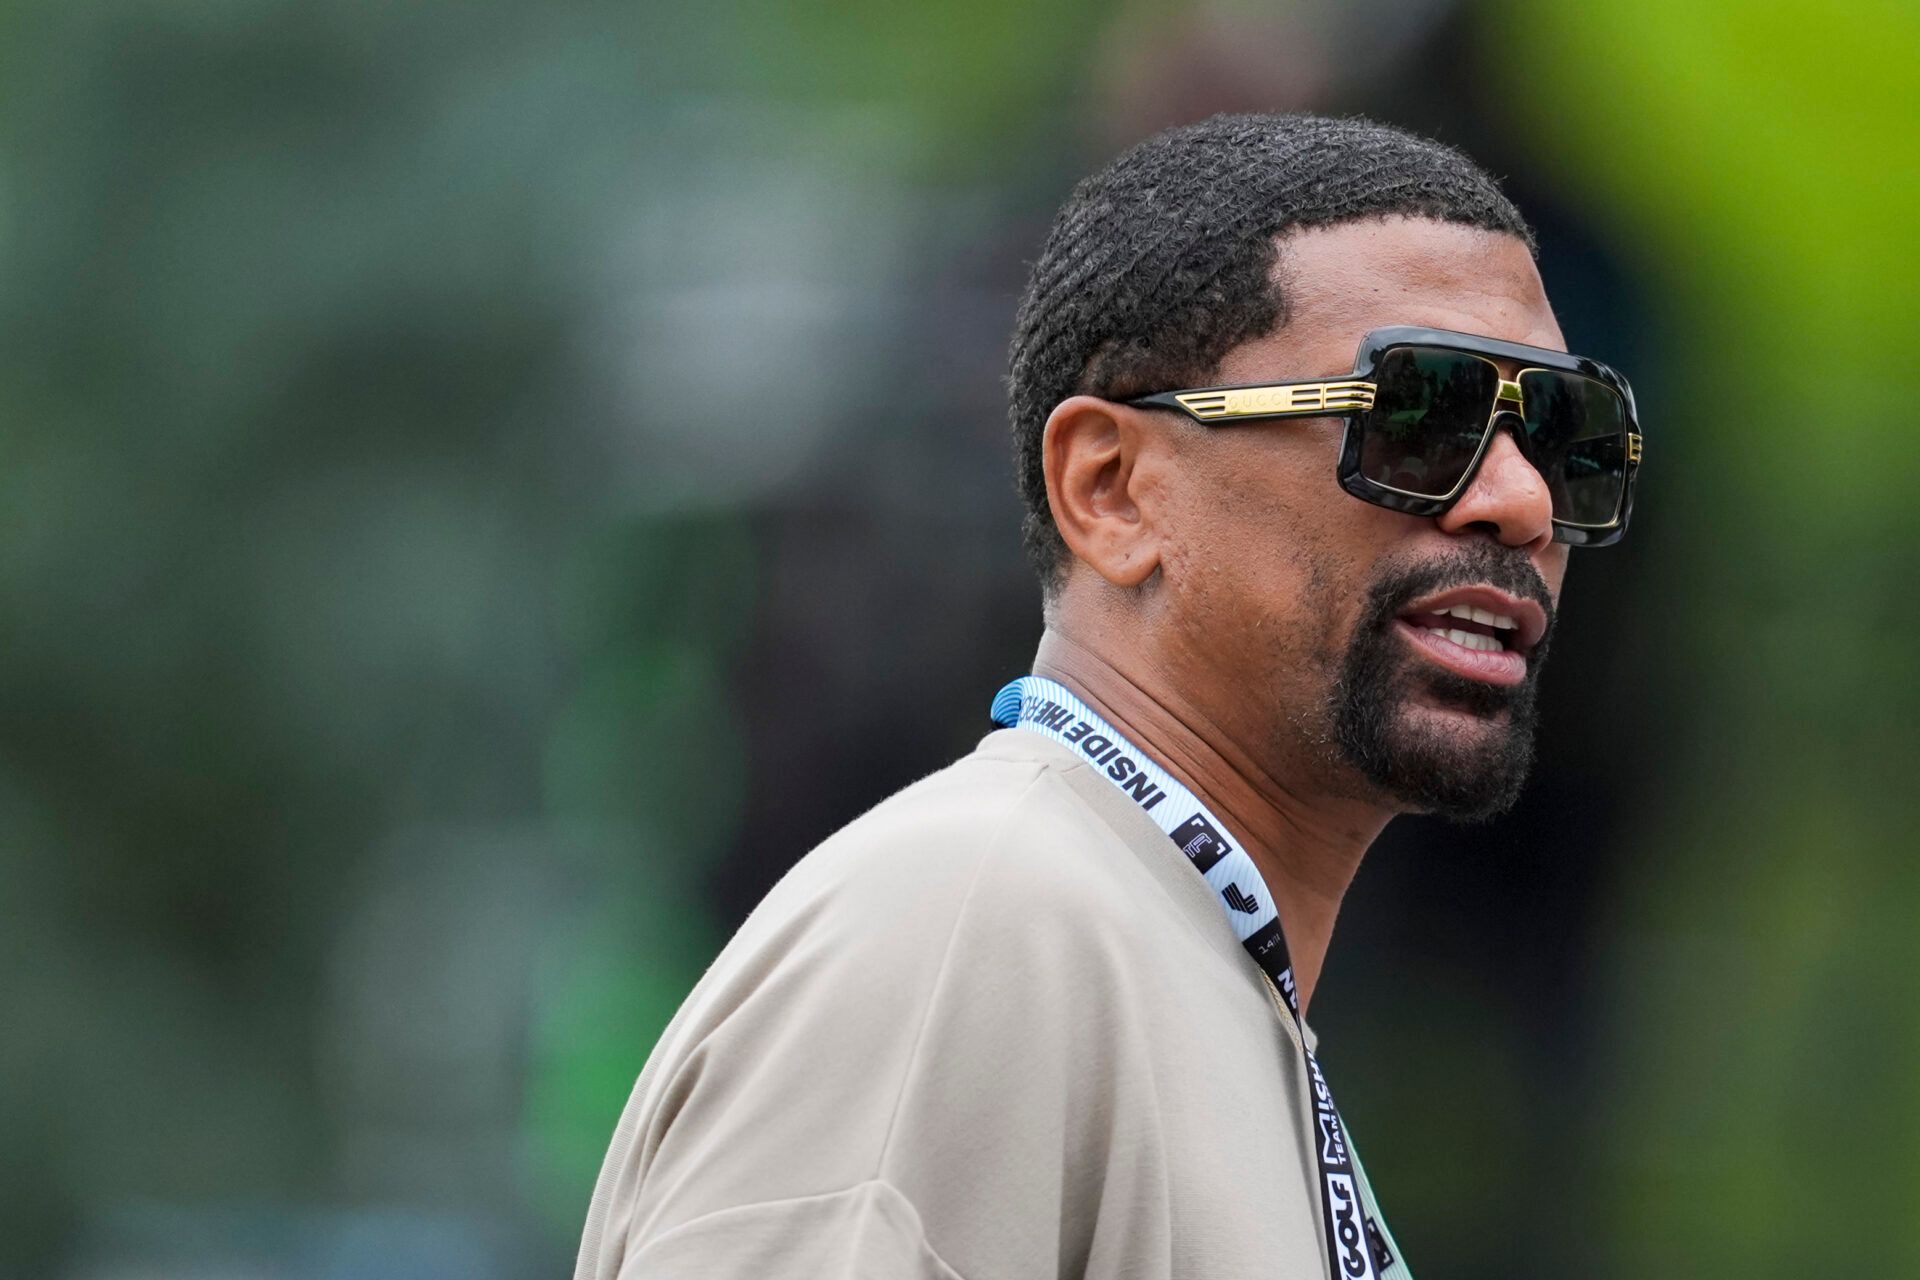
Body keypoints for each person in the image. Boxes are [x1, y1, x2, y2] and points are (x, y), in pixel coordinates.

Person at [573, 112, 1642, 1280]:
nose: (1520, 503)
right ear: (1113, 490)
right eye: (1416, 418)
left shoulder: (1179, 968)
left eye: (1562, 435)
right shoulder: (976, 924)